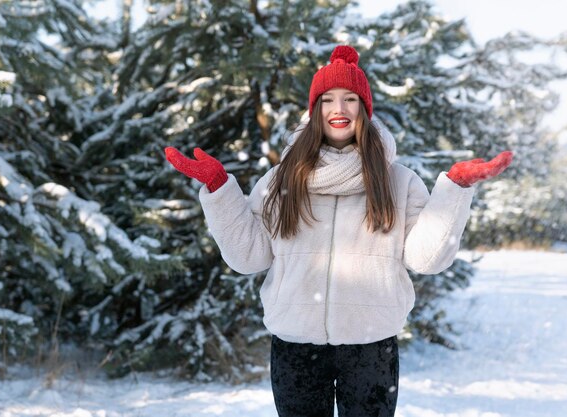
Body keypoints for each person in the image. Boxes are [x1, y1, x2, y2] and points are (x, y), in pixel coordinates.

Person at [164, 45, 513, 417]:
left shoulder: (398, 181)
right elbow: (248, 257)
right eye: (327, 99)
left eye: (351, 99)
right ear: (314, 111)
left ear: (365, 108)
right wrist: (220, 190)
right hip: (295, 345)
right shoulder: (280, 180)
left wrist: (454, 190)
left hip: (371, 346)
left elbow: (425, 259)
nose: (339, 109)